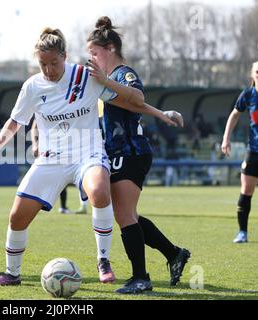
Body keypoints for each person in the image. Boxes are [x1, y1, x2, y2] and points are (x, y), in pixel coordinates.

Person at [0, 27, 179, 287]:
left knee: (99, 190)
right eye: (42, 64)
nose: (49, 70)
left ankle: (103, 260)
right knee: (17, 216)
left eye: (54, 63)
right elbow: (15, 121)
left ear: (65, 56)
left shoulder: (86, 77)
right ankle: (11, 274)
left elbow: (131, 101)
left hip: (89, 154)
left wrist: (162, 114)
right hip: (52, 159)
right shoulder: (32, 86)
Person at [86, 16, 191, 294]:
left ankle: (141, 278)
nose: (92, 59)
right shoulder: (104, 81)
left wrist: (106, 80)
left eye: (94, 53)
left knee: (123, 215)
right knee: (127, 214)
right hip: (116, 153)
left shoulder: (123, 73)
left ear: (109, 49)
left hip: (132, 151)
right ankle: (174, 254)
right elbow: (134, 105)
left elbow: (136, 96)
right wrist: (161, 114)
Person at [221, 59, 258, 244]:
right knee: (246, 190)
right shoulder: (248, 95)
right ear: (252, 75)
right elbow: (234, 114)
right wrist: (226, 138)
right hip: (255, 150)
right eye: (257, 72)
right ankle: (242, 232)